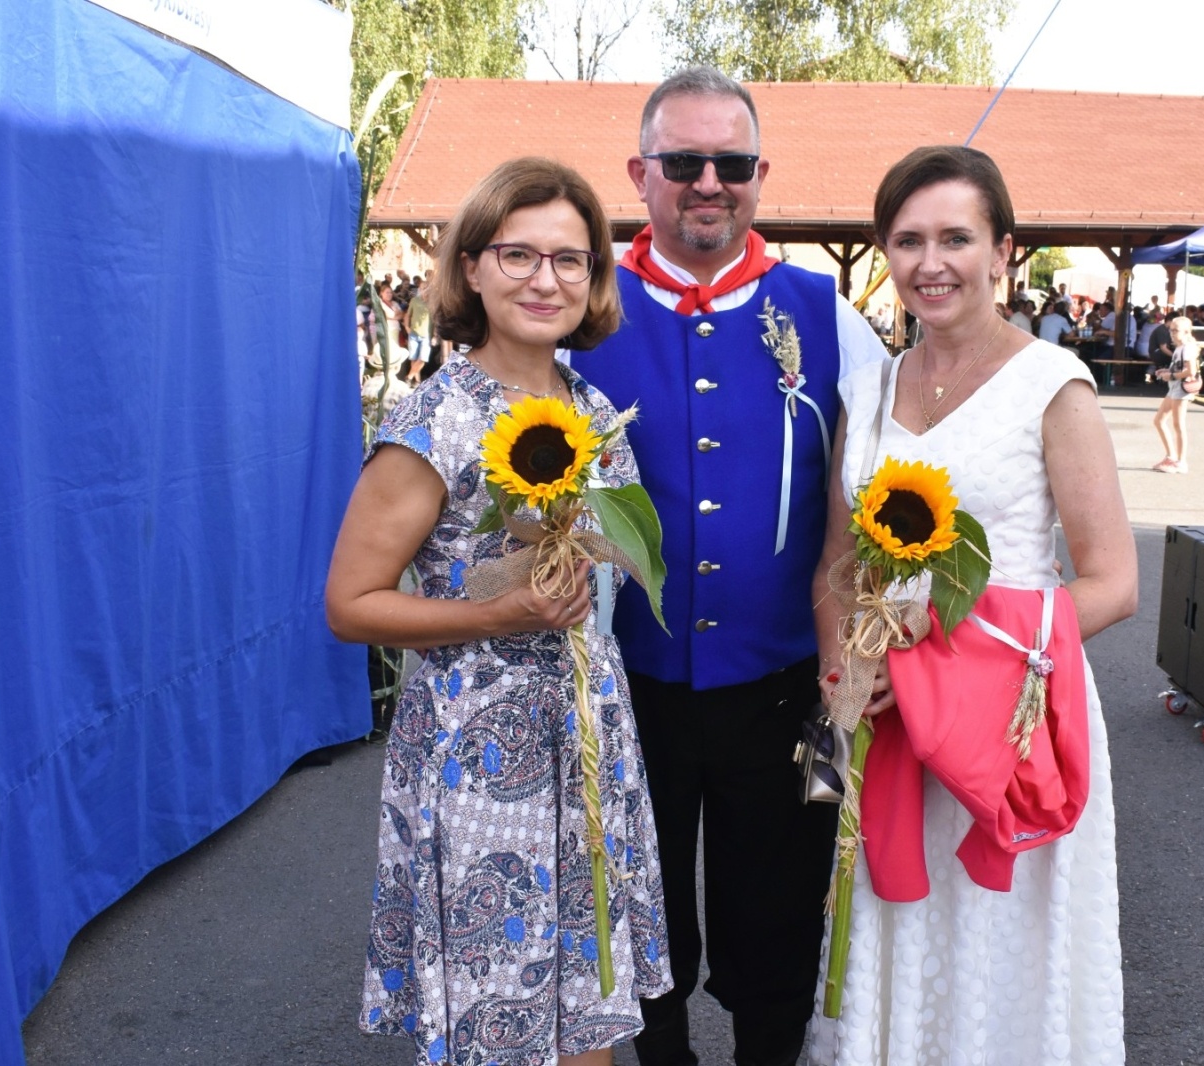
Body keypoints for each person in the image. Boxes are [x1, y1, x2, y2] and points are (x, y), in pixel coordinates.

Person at [326, 158, 674, 1066]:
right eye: (518, 254)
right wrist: (497, 613)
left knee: (590, 1009)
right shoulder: (434, 420)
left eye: (570, 259)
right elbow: (349, 604)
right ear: (471, 268)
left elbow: (614, 566)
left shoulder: (592, 408)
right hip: (481, 755)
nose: (544, 279)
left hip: (588, 734)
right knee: (500, 1023)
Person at [572, 68, 888, 1066]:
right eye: (683, 162)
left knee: (780, 908)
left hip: (790, 683)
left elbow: (894, 484)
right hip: (627, 685)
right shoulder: (578, 313)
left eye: (733, 163)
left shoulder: (828, 313)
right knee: (638, 894)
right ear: (641, 173)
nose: (709, 182)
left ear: (759, 174)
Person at [806, 144, 1136, 1066]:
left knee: (1000, 941)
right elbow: (837, 563)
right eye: (908, 240)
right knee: (889, 932)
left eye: (957, 237)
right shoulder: (865, 392)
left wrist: (952, 646)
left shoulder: (1053, 387)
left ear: (1003, 251)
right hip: (885, 720)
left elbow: (1112, 582)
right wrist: (845, 681)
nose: (931, 262)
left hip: (1010, 723)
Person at [1152, 316, 1200, 472]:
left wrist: (1171, 376)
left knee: (1178, 425)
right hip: (1174, 387)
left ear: (1186, 332)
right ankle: (1171, 456)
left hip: (1180, 389)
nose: (1172, 333)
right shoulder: (1179, 348)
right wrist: (1166, 371)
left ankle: (1181, 461)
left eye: (1176, 330)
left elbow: (1190, 371)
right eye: (1170, 330)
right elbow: (1179, 368)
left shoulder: (1187, 348)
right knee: (1159, 420)